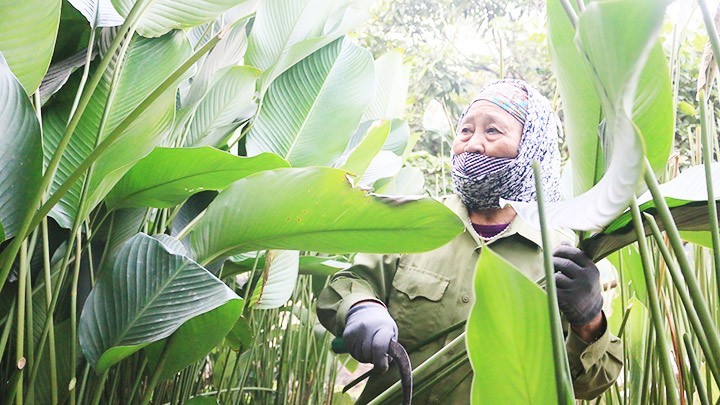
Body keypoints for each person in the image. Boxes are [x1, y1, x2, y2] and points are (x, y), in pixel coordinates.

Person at [317, 79, 623, 403]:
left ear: (532, 146)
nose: (473, 144)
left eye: (492, 131)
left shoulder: (565, 255)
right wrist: (360, 307)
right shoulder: (416, 223)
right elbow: (349, 283)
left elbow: (590, 384)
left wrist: (589, 320)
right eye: (465, 131)